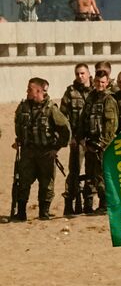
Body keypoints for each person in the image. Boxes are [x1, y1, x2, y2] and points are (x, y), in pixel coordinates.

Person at [10, 77, 70, 221]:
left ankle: (44, 212)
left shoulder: (51, 109)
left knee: (46, 184)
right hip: (27, 152)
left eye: (30, 89)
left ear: (38, 90)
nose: (27, 91)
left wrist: (56, 148)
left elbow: (65, 130)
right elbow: (18, 125)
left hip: (46, 153)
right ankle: (21, 212)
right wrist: (19, 140)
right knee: (23, 182)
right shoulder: (23, 107)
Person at [81, 65, 117, 215]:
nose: (100, 85)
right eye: (97, 82)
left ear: (107, 82)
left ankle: (105, 205)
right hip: (89, 144)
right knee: (90, 177)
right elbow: (84, 119)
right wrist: (82, 138)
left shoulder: (109, 100)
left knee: (103, 177)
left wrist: (102, 144)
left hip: (103, 146)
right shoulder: (90, 98)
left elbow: (111, 126)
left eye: (103, 82)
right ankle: (89, 205)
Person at [58, 63, 91, 217]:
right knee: (74, 172)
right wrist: (70, 137)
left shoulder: (96, 90)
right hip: (77, 139)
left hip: (92, 140)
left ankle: (89, 202)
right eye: (77, 73)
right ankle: (70, 202)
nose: (80, 76)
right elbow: (63, 117)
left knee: (93, 172)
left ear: (88, 73)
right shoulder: (70, 92)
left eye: (83, 73)